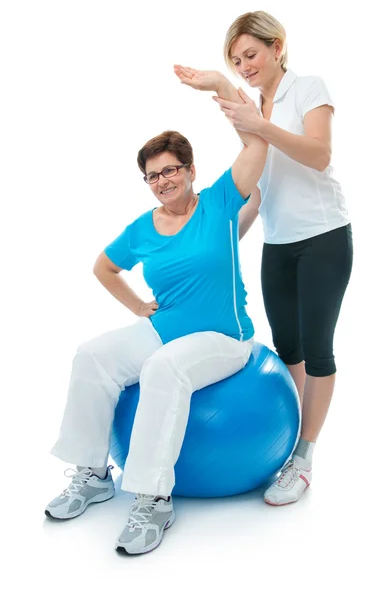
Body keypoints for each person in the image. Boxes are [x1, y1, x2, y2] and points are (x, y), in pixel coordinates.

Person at [45, 125, 268, 554]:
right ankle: (93, 475)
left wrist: (223, 91)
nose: (162, 181)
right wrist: (136, 306)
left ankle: (154, 500)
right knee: (92, 356)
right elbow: (104, 267)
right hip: (163, 329)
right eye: (153, 175)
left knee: (162, 369)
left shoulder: (219, 203)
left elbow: (257, 144)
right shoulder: (142, 228)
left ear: (190, 171)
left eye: (170, 171)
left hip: (224, 336)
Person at [174, 9, 353, 507]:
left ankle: (304, 455)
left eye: (250, 54)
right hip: (280, 242)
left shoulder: (309, 88)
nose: (244, 65)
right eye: (235, 61)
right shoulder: (257, 106)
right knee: (287, 348)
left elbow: (319, 154)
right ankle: (282, 443)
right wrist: (222, 242)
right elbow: (258, 190)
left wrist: (259, 124)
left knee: (317, 351)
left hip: (324, 237)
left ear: (277, 47)